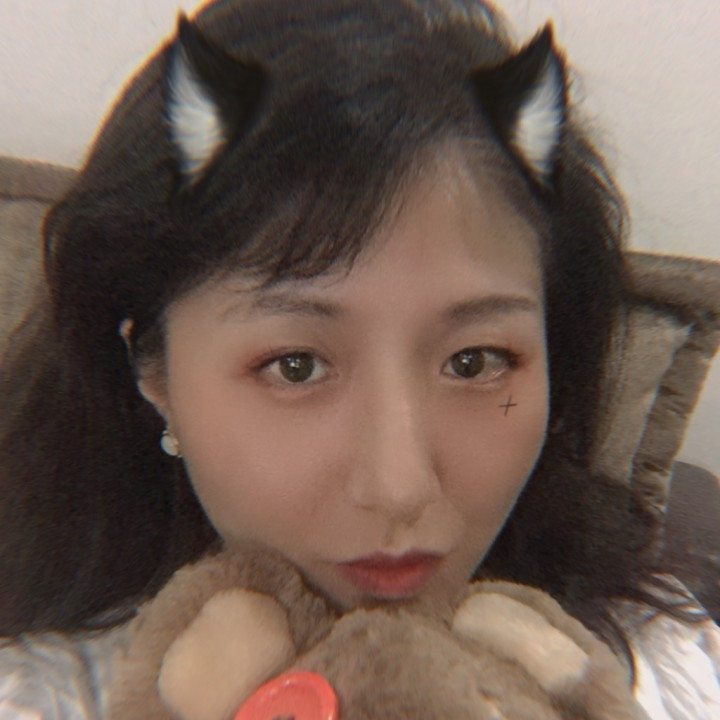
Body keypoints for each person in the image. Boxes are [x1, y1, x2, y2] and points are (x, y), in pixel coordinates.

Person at [0, 0, 718, 718]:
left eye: (475, 362)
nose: (399, 487)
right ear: (154, 374)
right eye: (295, 366)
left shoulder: (655, 670)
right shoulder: (44, 692)